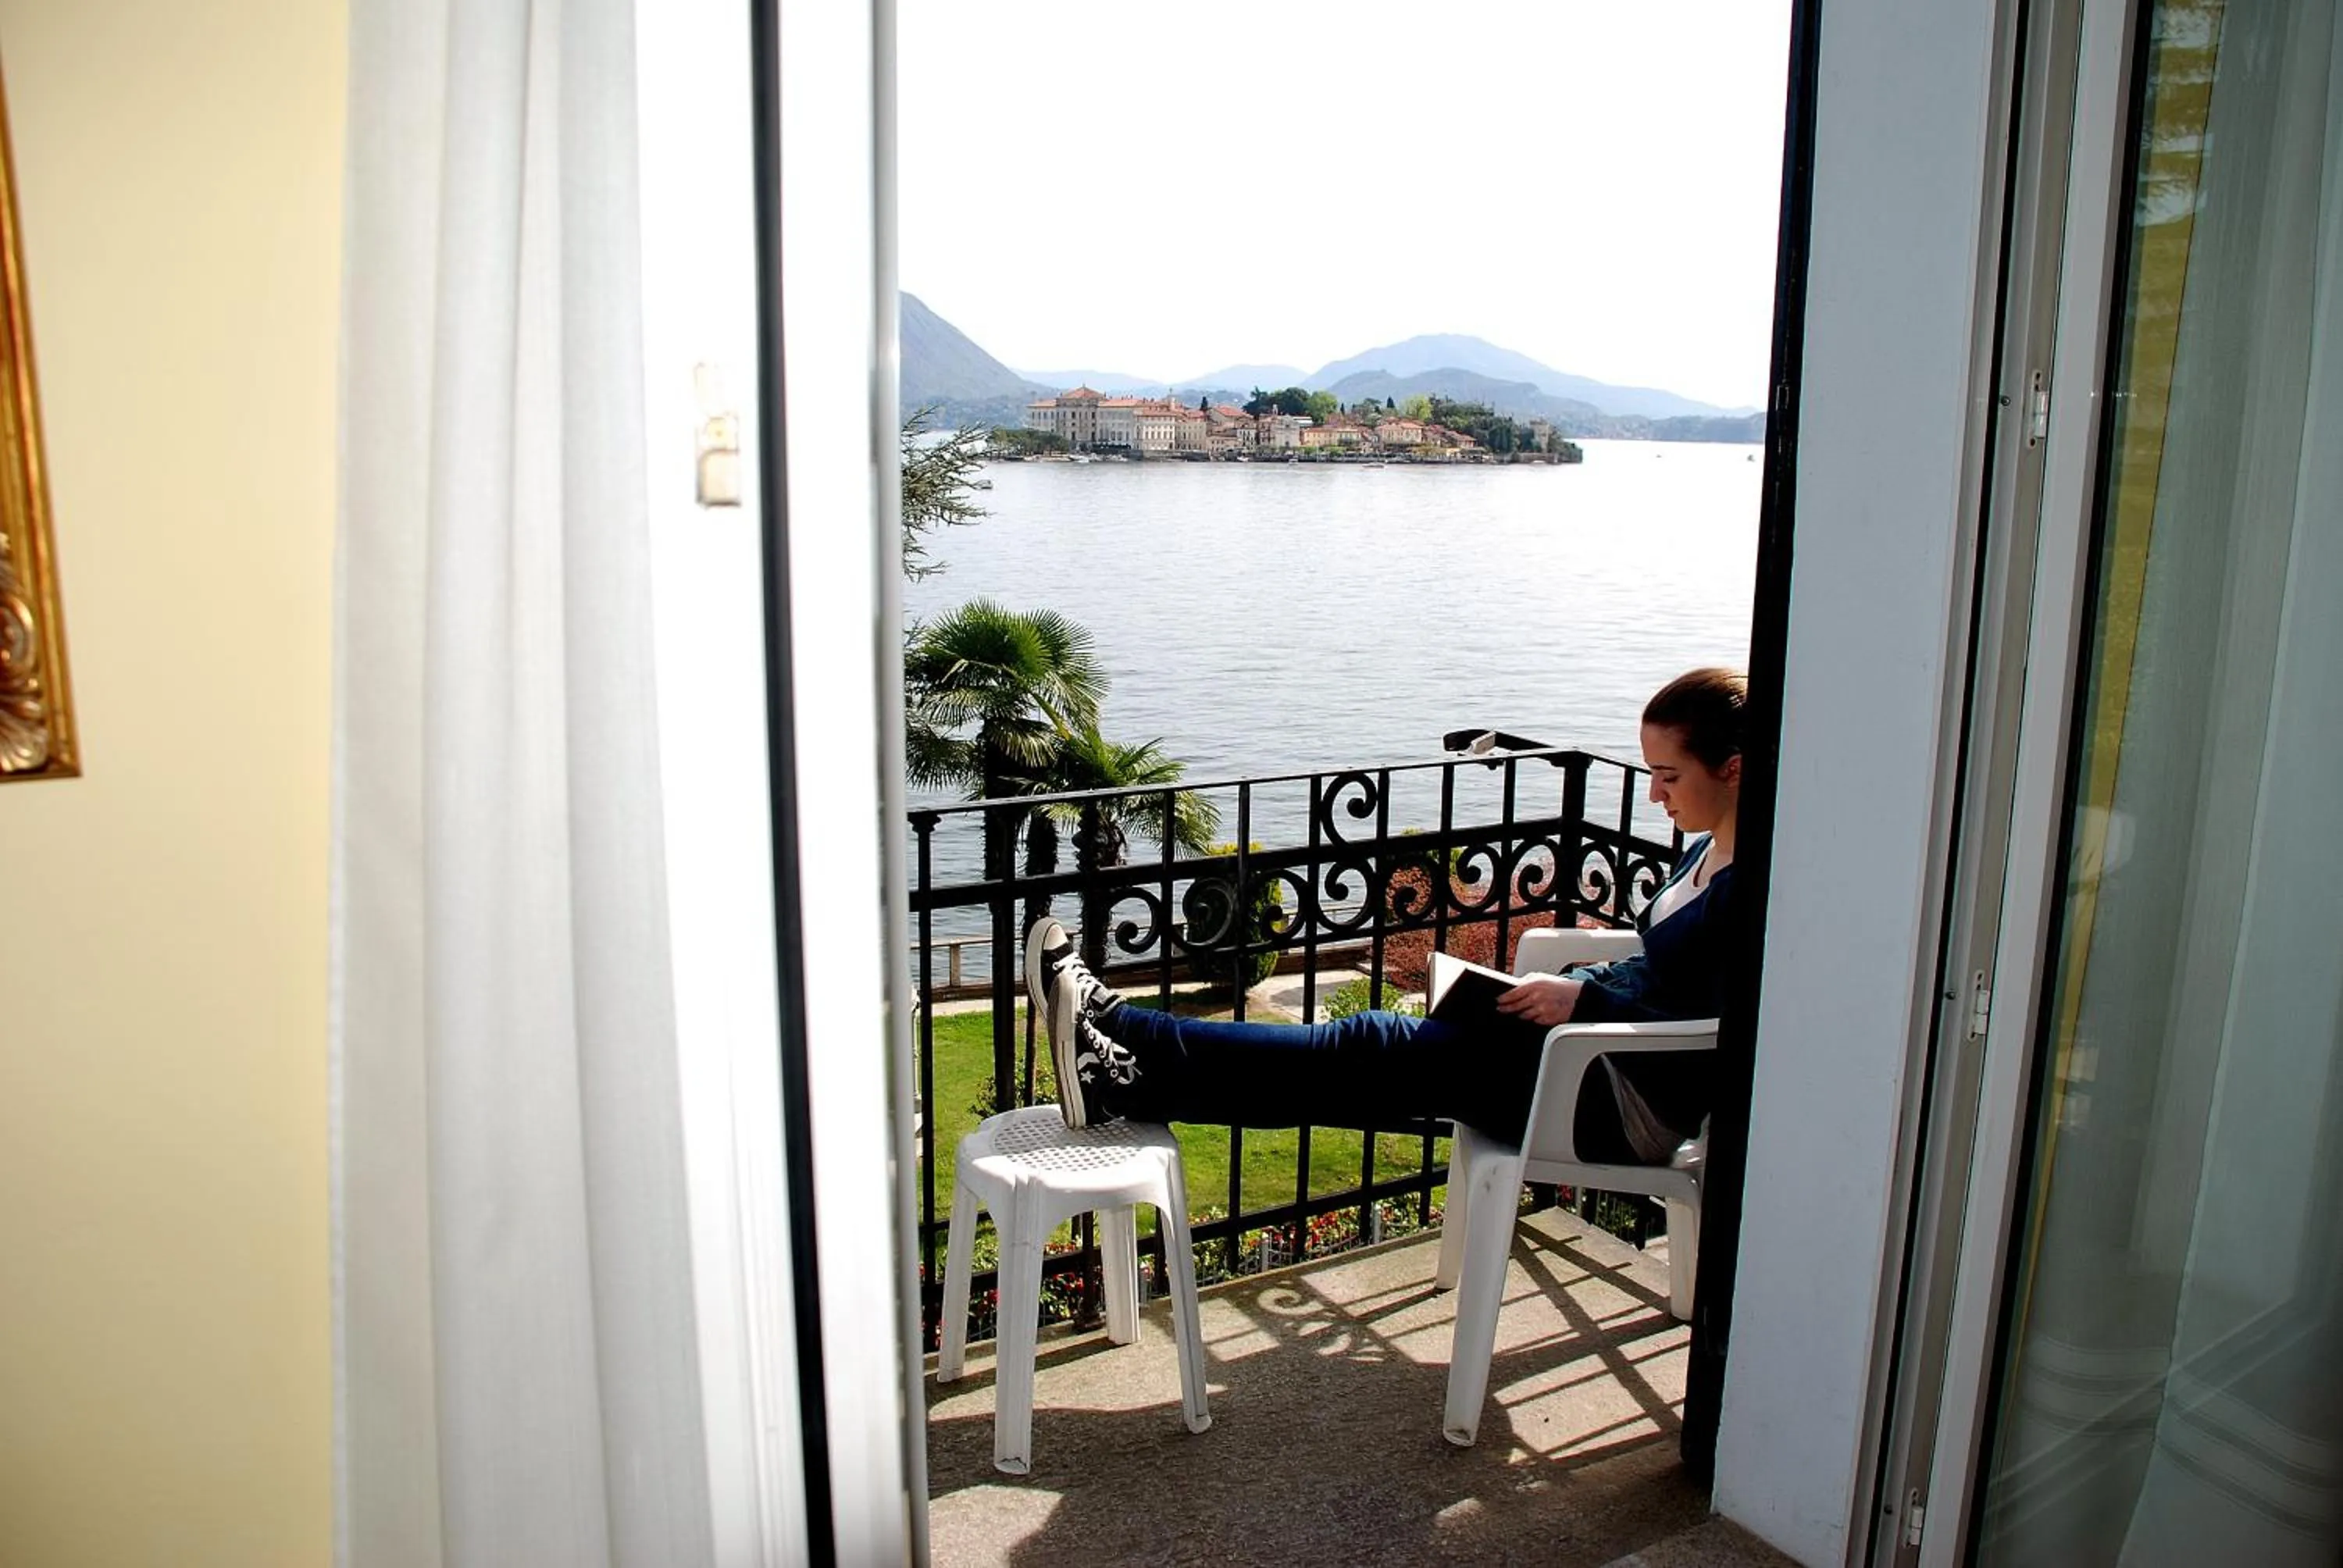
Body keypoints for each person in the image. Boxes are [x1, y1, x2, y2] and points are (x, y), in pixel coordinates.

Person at [1023, 667, 1747, 1164]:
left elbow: (1721, 1021)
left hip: (1618, 1102)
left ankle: (1122, 1036)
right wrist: (1580, 984)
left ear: (1734, 767)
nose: (1654, 796)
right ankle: (1125, 1072)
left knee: (1370, 1045)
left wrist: (1584, 998)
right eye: (1650, 774)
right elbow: (1659, 968)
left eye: (1669, 775)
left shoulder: (1757, 892)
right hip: (1586, 1059)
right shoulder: (1703, 857)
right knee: (1365, 1064)